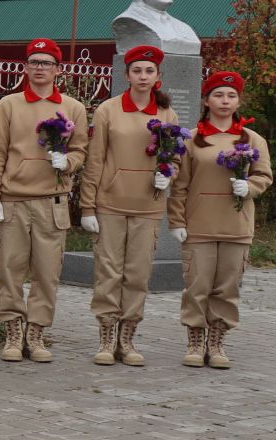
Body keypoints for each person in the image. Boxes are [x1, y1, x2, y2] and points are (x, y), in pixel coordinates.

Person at [0, 38, 88, 362]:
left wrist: (67, 163)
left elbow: (81, 150)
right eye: (34, 62)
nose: (40, 68)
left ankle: (37, 332)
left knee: (46, 273)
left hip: (52, 202)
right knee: (10, 269)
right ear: (26, 67)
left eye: (46, 63)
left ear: (58, 69)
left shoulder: (72, 108)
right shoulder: (9, 104)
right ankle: (13, 332)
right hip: (13, 200)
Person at [79, 45, 178, 366]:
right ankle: (107, 337)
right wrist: (87, 207)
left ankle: (128, 337)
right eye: (137, 71)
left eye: (149, 71)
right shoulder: (108, 110)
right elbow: (95, 160)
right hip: (110, 203)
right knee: (108, 272)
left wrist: (169, 173)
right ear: (127, 75)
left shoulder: (167, 114)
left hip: (147, 205)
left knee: (137, 273)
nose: (143, 77)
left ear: (158, 77)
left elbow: (174, 156)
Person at [168, 71, 271, 370]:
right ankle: (195, 341)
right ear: (206, 100)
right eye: (218, 95)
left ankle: (217, 341)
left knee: (227, 287)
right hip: (199, 225)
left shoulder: (253, 140)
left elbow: (264, 175)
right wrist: (177, 221)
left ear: (239, 100)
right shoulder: (192, 141)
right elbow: (181, 185)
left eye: (231, 95)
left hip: (236, 226)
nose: (225, 101)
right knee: (197, 286)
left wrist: (249, 187)